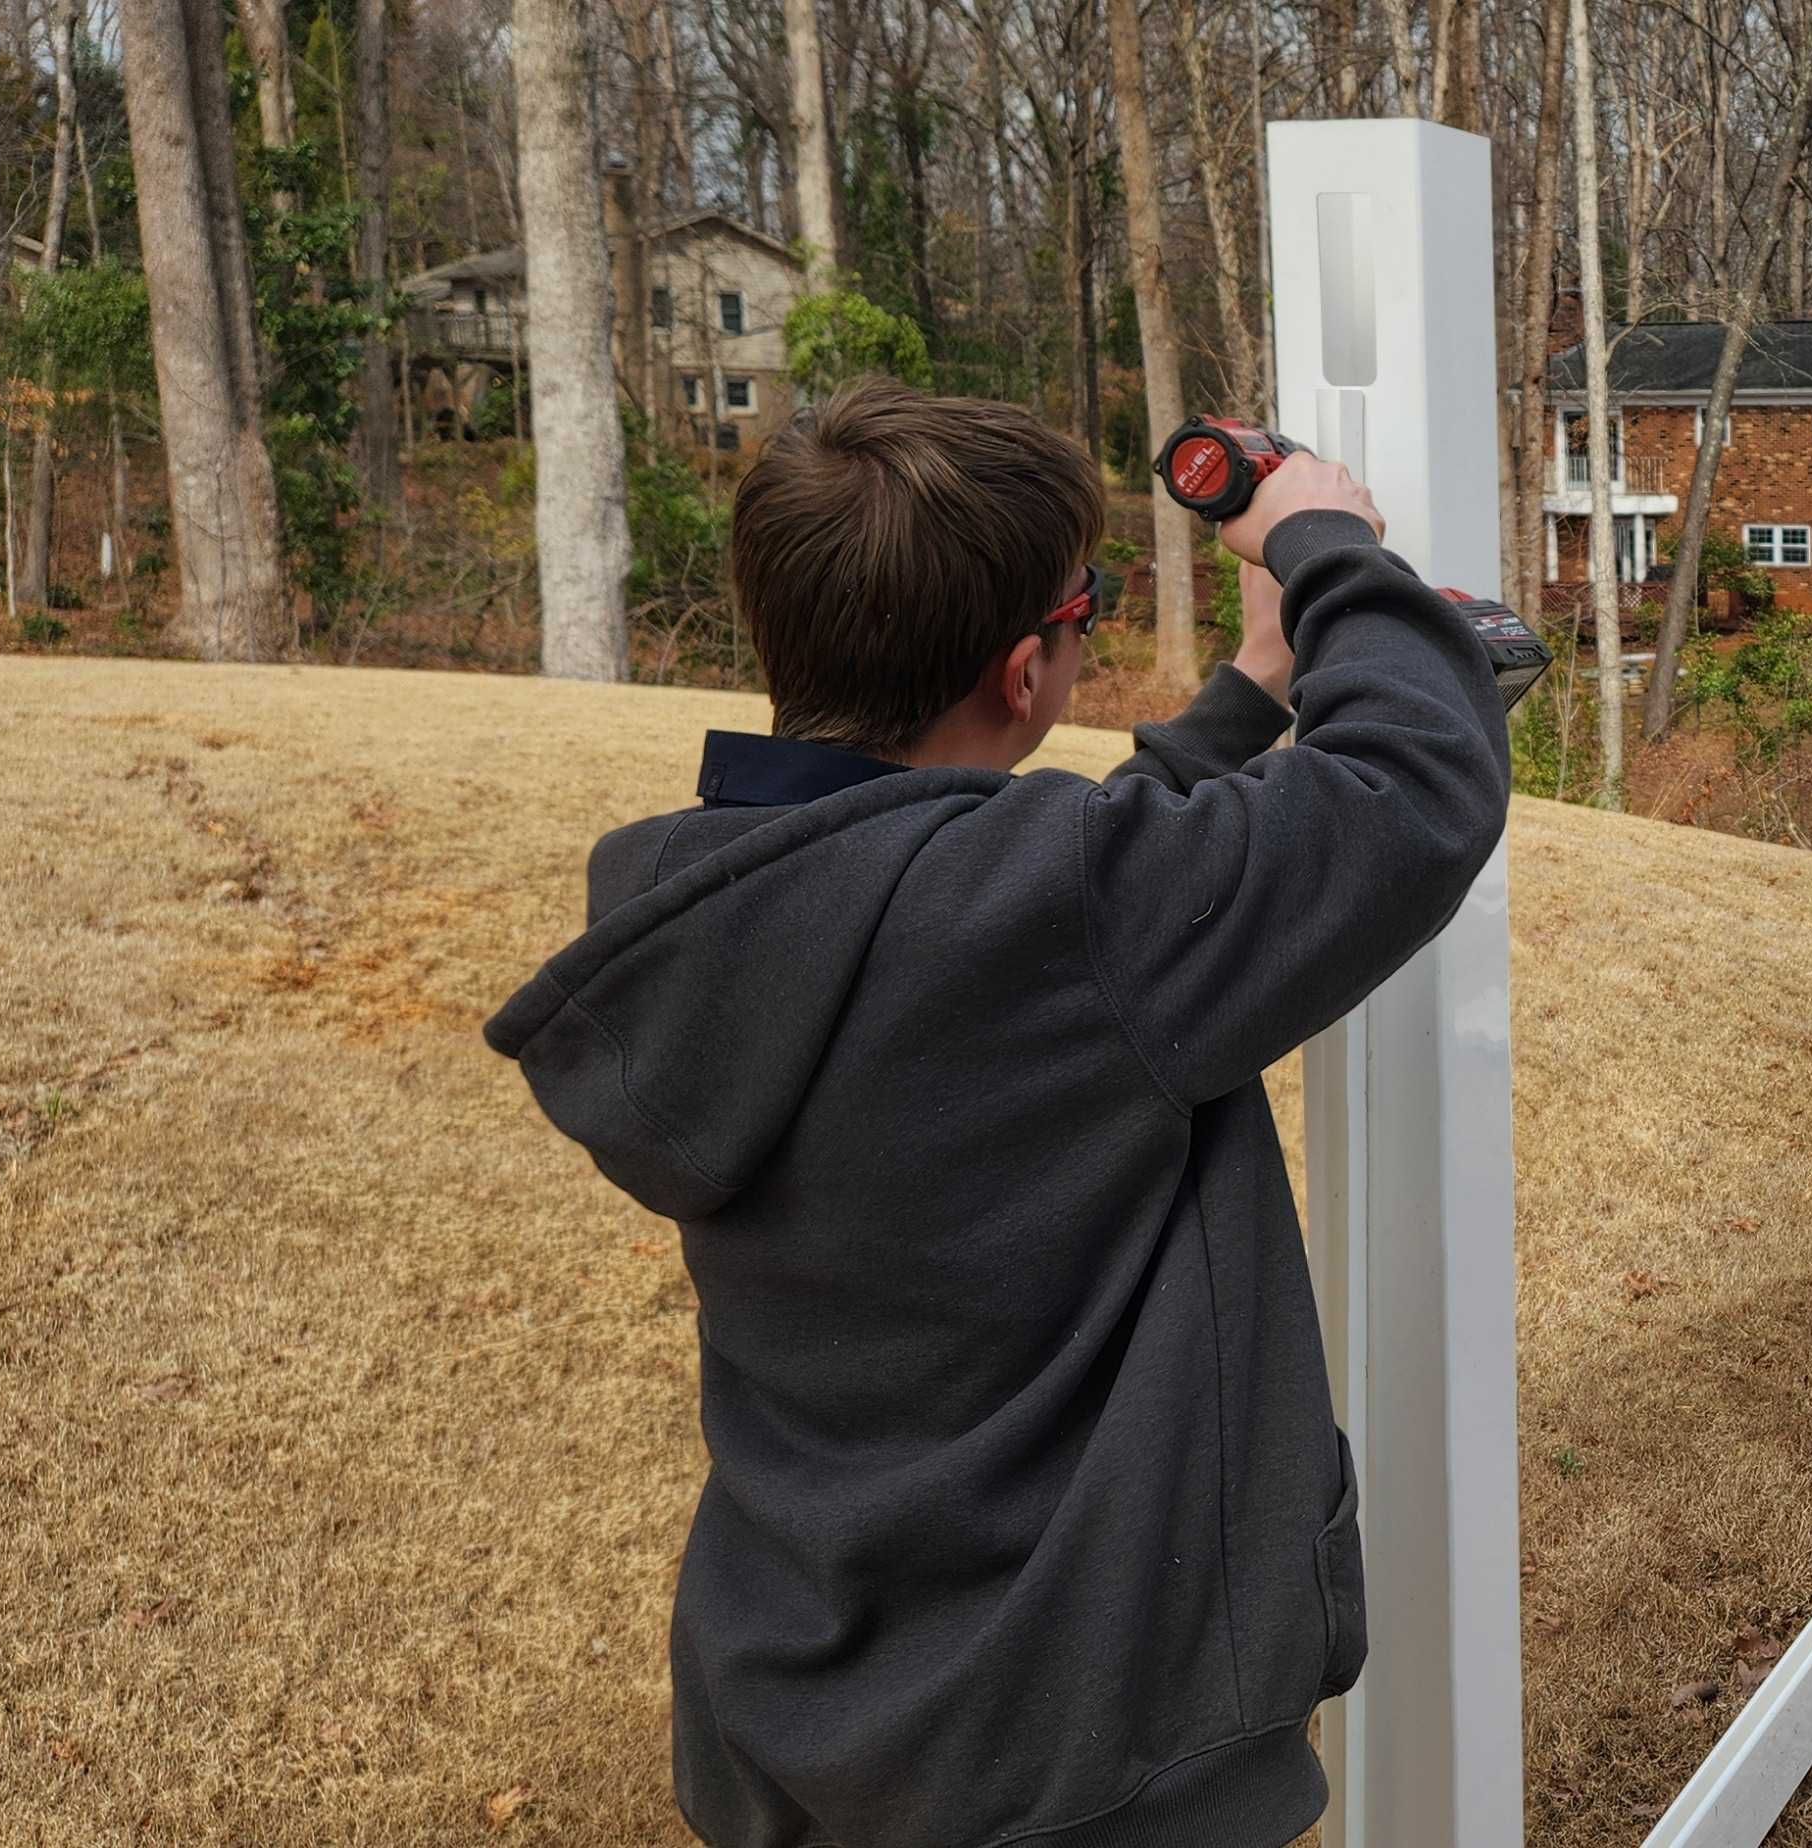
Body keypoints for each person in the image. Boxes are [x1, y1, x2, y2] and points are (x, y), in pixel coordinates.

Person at [482, 381, 1511, 1847]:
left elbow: (1010, 884)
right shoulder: (1068, 915)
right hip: (1068, 1755)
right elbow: (1416, 790)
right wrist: (1332, 548)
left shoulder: (698, 909)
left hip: (788, 1711)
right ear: (1026, 674)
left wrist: (1243, 699)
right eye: (1083, 609)